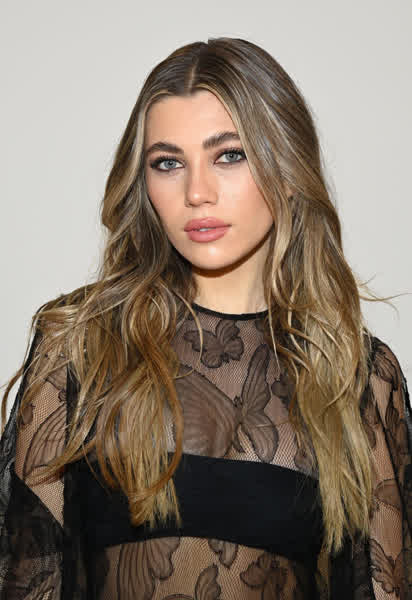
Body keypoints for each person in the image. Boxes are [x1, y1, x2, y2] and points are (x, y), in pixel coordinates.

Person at [0, 37, 410, 600]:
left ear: (289, 168)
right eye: (168, 163)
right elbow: (26, 579)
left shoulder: (355, 376)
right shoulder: (78, 345)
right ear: (143, 183)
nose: (197, 192)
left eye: (229, 155)